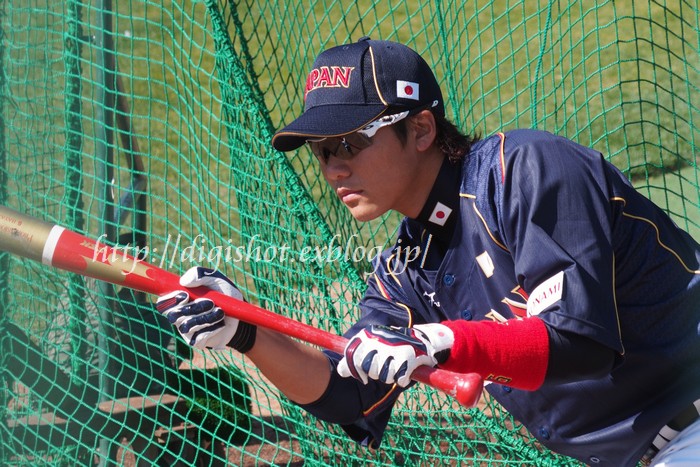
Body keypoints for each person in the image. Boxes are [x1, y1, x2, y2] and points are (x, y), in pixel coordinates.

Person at [156, 37, 700, 466]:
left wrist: (440, 342)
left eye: (349, 143)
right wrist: (247, 333)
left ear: (420, 129)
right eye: (321, 152)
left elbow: (579, 341)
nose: (333, 168)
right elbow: (353, 395)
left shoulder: (524, 171)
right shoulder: (403, 271)